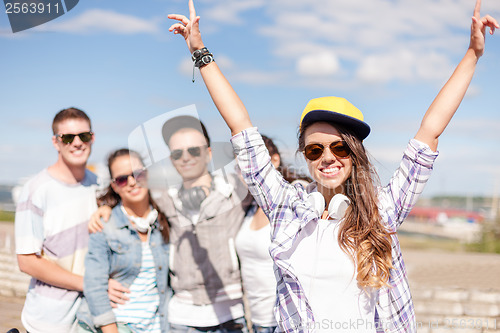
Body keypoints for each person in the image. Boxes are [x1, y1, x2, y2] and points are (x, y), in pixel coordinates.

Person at [168, 1, 498, 332]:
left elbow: (430, 130)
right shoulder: (287, 206)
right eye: (315, 149)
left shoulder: (382, 209)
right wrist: (200, 51)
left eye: (339, 147)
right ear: (306, 156)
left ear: (355, 152)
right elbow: (240, 125)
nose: (327, 157)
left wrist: (472, 54)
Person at [89, 116, 250, 332]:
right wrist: (105, 206)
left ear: (208, 153)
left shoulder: (239, 191)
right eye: (177, 153)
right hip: (181, 319)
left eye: (194, 150)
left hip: (231, 314)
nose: (186, 158)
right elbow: (132, 194)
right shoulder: (164, 199)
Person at [15, 107, 98, 332]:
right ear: (56, 142)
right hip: (50, 321)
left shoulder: (99, 185)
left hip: (92, 316)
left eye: (84, 135)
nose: (77, 142)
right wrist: (89, 285)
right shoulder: (36, 190)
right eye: (68, 137)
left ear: (93, 137)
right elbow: (27, 261)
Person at [77, 149, 170, 333]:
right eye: (122, 179)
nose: (132, 182)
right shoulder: (104, 225)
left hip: (156, 326)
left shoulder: (164, 220)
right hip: (116, 326)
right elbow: (95, 284)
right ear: (114, 186)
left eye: (138, 174)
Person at [235, 135, 309, 333]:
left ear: (274, 160)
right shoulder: (249, 208)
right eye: (239, 168)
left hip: (287, 321)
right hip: (256, 320)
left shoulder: (295, 195)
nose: (246, 172)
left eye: (249, 164)